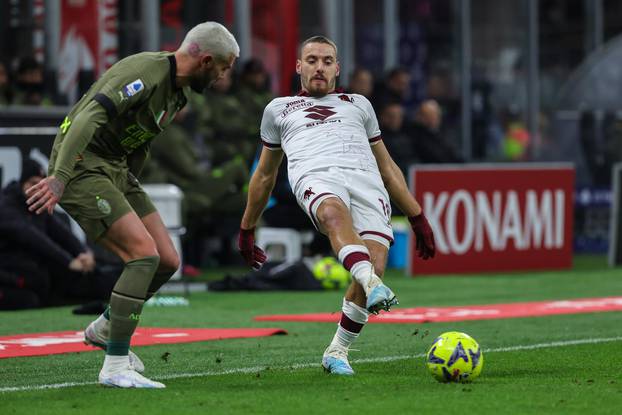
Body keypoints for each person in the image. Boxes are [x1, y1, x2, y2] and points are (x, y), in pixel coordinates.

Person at [25, 21, 239, 389]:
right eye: (224, 66)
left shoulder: (179, 92)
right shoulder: (145, 73)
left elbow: (140, 140)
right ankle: (115, 365)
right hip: (82, 165)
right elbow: (88, 116)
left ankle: (105, 327)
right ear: (205, 60)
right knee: (143, 255)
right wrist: (59, 176)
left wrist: (128, 182)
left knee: (168, 260)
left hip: (115, 171)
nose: (223, 76)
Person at [237, 36, 436, 376]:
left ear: (337, 68)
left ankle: (337, 350)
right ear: (299, 67)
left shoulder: (359, 104)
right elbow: (264, 176)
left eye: (327, 61)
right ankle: (373, 285)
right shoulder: (278, 109)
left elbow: (387, 166)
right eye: (312, 60)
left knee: (375, 263)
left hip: (366, 180)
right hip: (316, 175)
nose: (319, 67)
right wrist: (247, 227)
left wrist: (417, 216)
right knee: (332, 214)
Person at [0, 159, 96, 310]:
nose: (37, 190)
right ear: (22, 183)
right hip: (8, 277)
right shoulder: (5, 206)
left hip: (30, 276)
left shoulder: (37, 206)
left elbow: (63, 233)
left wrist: (84, 252)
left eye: (40, 185)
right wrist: (68, 261)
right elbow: (32, 237)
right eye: (33, 184)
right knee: (30, 300)